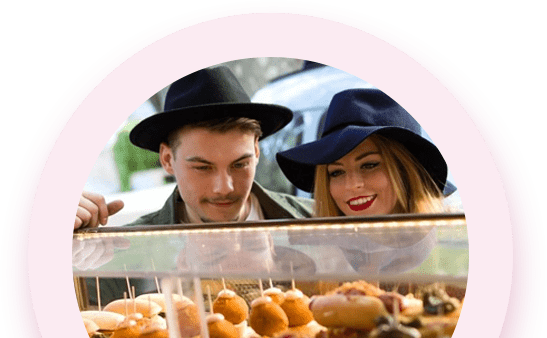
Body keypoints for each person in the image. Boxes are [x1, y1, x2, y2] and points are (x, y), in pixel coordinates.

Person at [74, 65, 313, 231]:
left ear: (257, 153)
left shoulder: (318, 222)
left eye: (240, 164)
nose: (224, 187)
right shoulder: (127, 251)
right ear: (167, 159)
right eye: (202, 167)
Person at [275, 87, 457, 218]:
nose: (352, 185)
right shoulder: (315, 261)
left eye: (369, 165)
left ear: (406, 170)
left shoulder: (455, 247)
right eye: (336, 172)